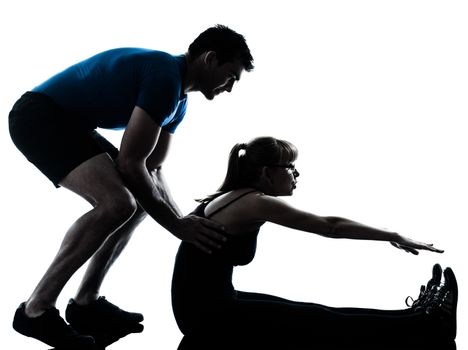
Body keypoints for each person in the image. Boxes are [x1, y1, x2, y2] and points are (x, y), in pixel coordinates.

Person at [9, 25, 254, 350]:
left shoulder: (178, 102)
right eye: (231, 77)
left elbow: (152, 169)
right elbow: (130, 164)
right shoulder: (164, 77)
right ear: (210, 59)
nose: (230, 88)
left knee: (137, 202)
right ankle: (35, 310)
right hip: (38, 116)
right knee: (118, 203)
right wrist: (177, 226)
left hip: (68, 123)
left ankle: (86, 304)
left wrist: (185, 220)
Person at [171, 136, 458, 350]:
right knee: (320, 321)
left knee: (315, 312)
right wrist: (393, 236)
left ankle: (418, 317)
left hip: (209, 304)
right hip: (207, 316)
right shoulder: (252, 202)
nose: (297, 174)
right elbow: (329, 226)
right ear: (266, 173)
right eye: (290, 167)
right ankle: (430, 324)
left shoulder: (235, 196)